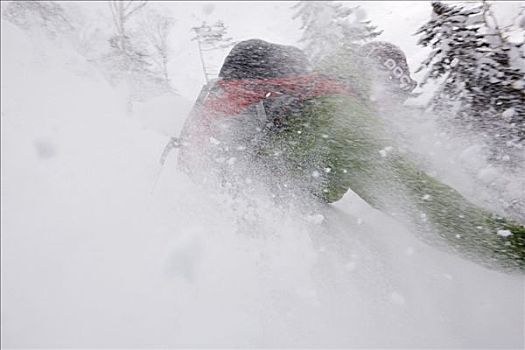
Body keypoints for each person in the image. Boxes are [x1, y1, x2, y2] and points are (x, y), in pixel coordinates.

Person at [175, 39, 524, 272]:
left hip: (235, 213)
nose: (391, 109)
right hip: (269, 225)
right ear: (379, 81)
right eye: (396, 95)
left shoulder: (308, 104)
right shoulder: (339, 118)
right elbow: (429, 208)